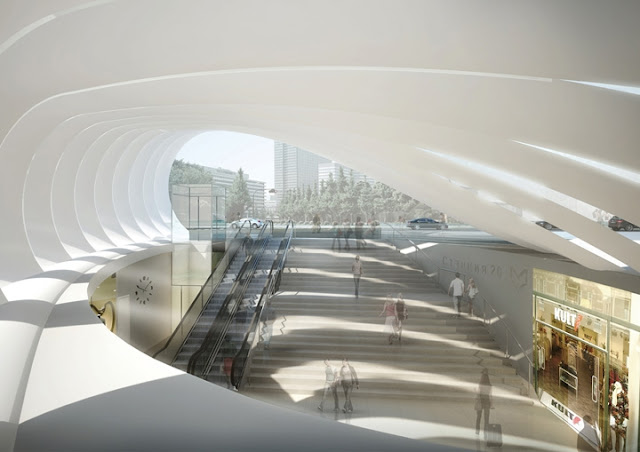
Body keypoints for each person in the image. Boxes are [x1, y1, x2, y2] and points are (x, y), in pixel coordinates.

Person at [609, 380, 629, 452]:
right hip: (613, 415)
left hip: (621, 417)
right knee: (612, 431)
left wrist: (626, 419)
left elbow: (627, 406)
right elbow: (610, 401)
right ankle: (613, 449)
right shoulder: (612, 390)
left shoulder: (623, 394)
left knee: (621, 435)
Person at [475, 368, 492, 437]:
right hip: (487, 401)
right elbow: (491, 395)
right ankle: (486, 431)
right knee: (486, 418)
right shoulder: (489, 385)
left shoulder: (480, 384)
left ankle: (477, 430)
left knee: (479, 416)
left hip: (480, 401)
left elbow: (477, 393)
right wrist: (492, 403)